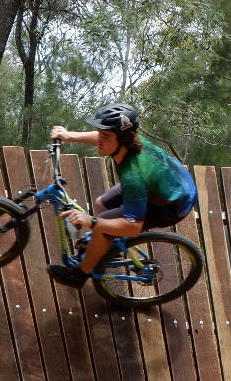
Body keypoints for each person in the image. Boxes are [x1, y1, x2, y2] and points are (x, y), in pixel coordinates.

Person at [44, 103, 198, 287]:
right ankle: (111, 248)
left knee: (101, 227)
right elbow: (103, 136)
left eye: (106, 136)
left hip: (171, 204)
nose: (100, 139)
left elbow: (133, 227)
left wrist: (91, 222)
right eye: (101, 133)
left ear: (123, 140)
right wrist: (70, 136)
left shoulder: (134, 174)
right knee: (102, 203)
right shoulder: (128, 142)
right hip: (166, 182)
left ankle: (78, 275)